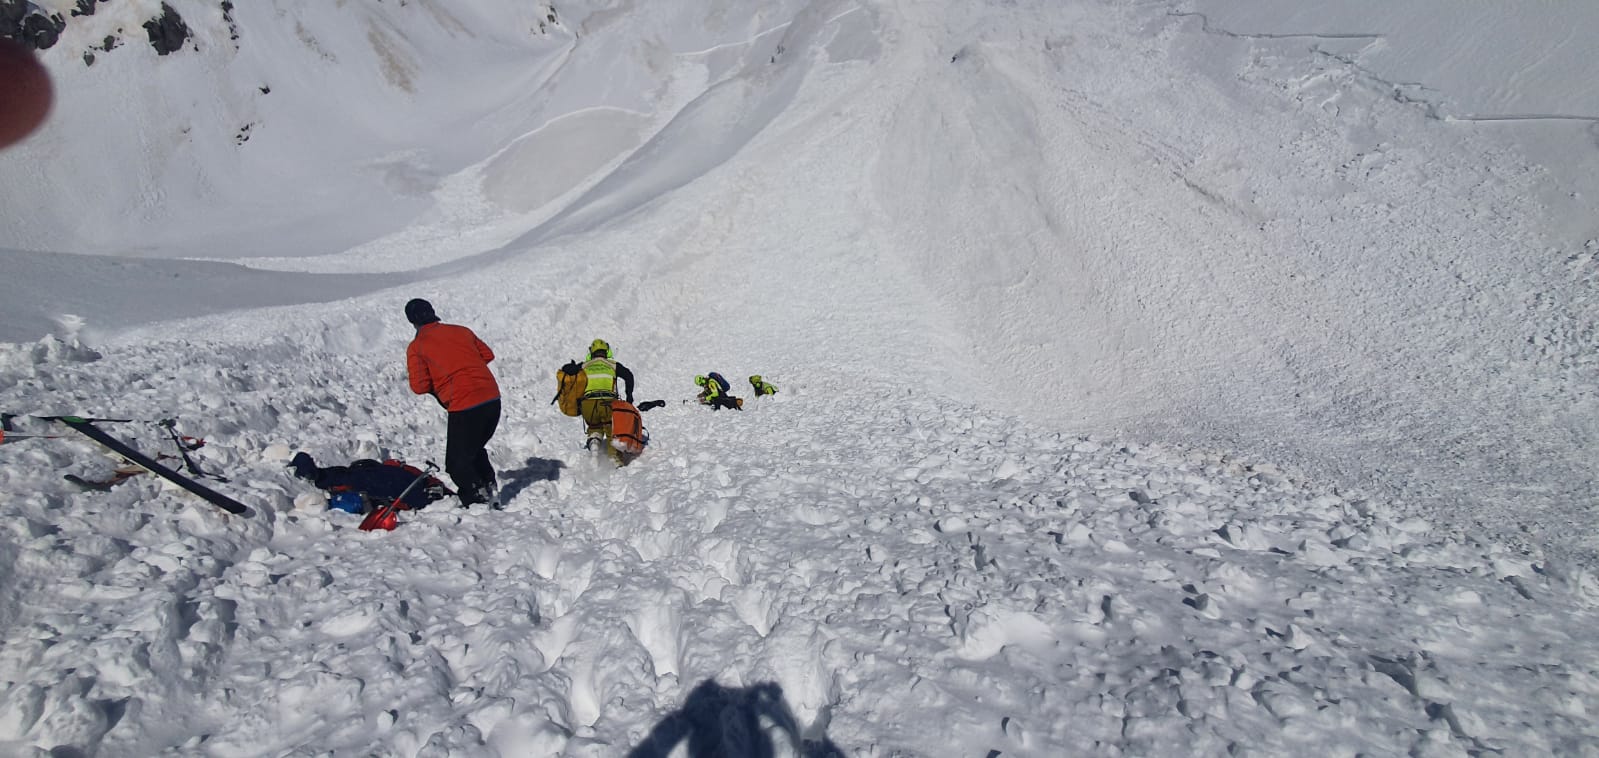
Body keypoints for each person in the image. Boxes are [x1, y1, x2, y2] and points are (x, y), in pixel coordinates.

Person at [404, 298, 500, 506]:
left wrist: (445, 383)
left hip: (464, 405)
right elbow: (487, 354)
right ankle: (488, 486)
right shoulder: (461, 331)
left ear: (411, 321)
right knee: (472, 449)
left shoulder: (417, 347)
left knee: (457, 463)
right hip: (492, 398)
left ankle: (477, 500)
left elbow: (419, 386)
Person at [579, 338, 635, 448]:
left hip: (588, 405)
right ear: (607, 352)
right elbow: (629, 376)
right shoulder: (613, 365)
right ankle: (615, 459)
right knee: (612, 431)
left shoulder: (583, 366)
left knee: (594, 426)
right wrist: (629, 396)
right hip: (608, 404)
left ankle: (594, 439)